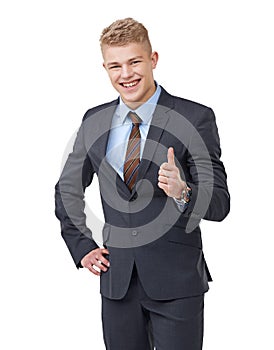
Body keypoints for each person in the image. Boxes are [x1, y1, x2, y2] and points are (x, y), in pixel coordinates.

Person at [55, 17, 230, 350]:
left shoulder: (195, 118)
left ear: (153, 60)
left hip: (177, 284)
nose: (126, 74)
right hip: (118, 282)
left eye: (135, 61)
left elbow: (220, 203)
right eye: (114, 66)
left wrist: (183, 191)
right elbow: (67, 189)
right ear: (105, 68)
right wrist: (83, 247)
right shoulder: (94, 120)